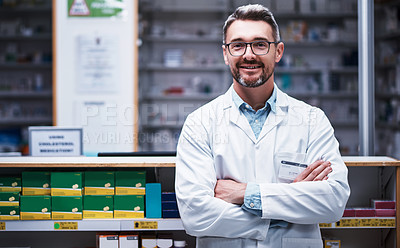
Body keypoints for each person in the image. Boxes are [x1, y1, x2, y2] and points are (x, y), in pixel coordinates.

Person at [175, 4, 350, 248]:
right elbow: (195, 215)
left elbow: (333, 201)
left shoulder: (312, 120)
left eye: (260, 44)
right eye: (238, 45)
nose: (249, 54)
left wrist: (245, 194)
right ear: (225, 54)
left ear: (278, 51)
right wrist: (283, 212)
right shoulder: (200, 123)